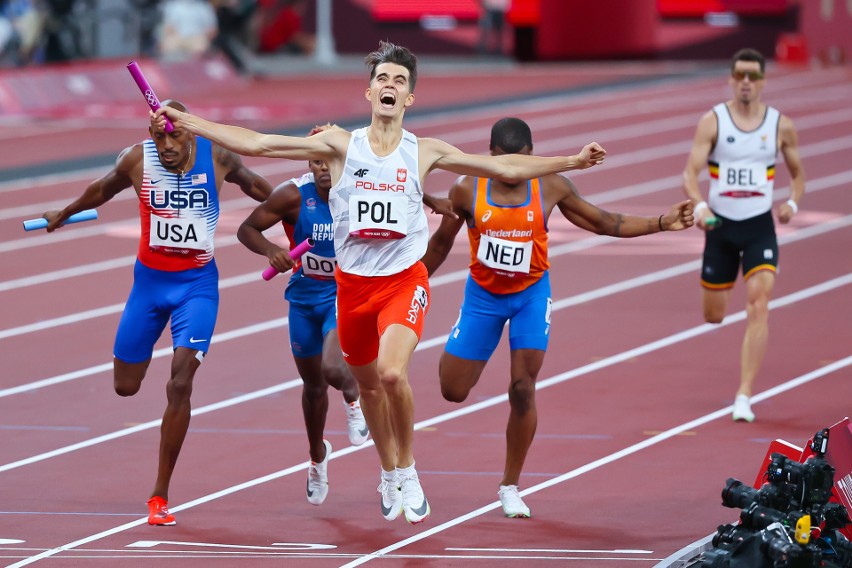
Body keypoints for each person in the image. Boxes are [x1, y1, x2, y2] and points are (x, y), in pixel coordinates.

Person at [153, 40, 606, 524]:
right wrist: (190, 122)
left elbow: (506, 166)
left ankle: (407, 469)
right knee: (368, 389)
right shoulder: (340, 146)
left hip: (403, 282)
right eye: (383, 79)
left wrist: (571, 162)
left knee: (392, 374)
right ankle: (388, 470)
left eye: (399, 81)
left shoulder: (424, 151)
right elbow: (261, 143)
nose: (390, 86)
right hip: (352, 288)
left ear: (409, 98)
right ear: (369, 91)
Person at [421, 117, 694, 518]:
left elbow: (603, 222)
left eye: (521, 164)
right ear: (491, 157)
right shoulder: (467, 188)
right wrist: (407, 283)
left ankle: (510, 486)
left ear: (533, 157)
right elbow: (441, 244)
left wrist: (661, 222)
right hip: (483, 298)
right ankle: (463, 344)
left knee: (522, 387)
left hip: (531, 295)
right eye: (504, 164)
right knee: (452, 390)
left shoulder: (550, 185)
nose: (513, 172)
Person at [42, 100, 273, 526]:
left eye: (174, 135)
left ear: (190, 131)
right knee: (125, 387)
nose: (166, 145)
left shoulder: (217, 154)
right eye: (158, 136)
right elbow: (102, 189)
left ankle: (159, 495)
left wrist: (297, 210)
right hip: (148, 287)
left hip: (197, 287)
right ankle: (140, 368)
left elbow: (257, 186)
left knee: (180, 381)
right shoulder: (136, 160)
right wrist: (66, 212)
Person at [236, 123, 369, 507]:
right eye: (316, 162)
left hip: (341, 296)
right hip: (303, 301)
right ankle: (317, 456)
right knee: (312, 388)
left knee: (333, 367)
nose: (325, 170)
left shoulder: (359, 192)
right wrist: (269, 251)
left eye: (331, 161)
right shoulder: (293, 196)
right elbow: (247, 229)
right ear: (308, 164)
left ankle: (353, 401)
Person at [682, 48, 805, 423]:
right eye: (740, 76)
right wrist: (700, 207)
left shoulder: (780, 126)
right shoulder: (713, 122)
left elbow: (798, 174)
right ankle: (723, 285)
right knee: (713, 315)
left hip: (758, 227)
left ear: (763, 81)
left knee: (759, 303)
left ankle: (744, 395)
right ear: (732, 80)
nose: (746, 82)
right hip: (721, 227)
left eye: (753, 76)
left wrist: (792, 204)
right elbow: (690, 172)